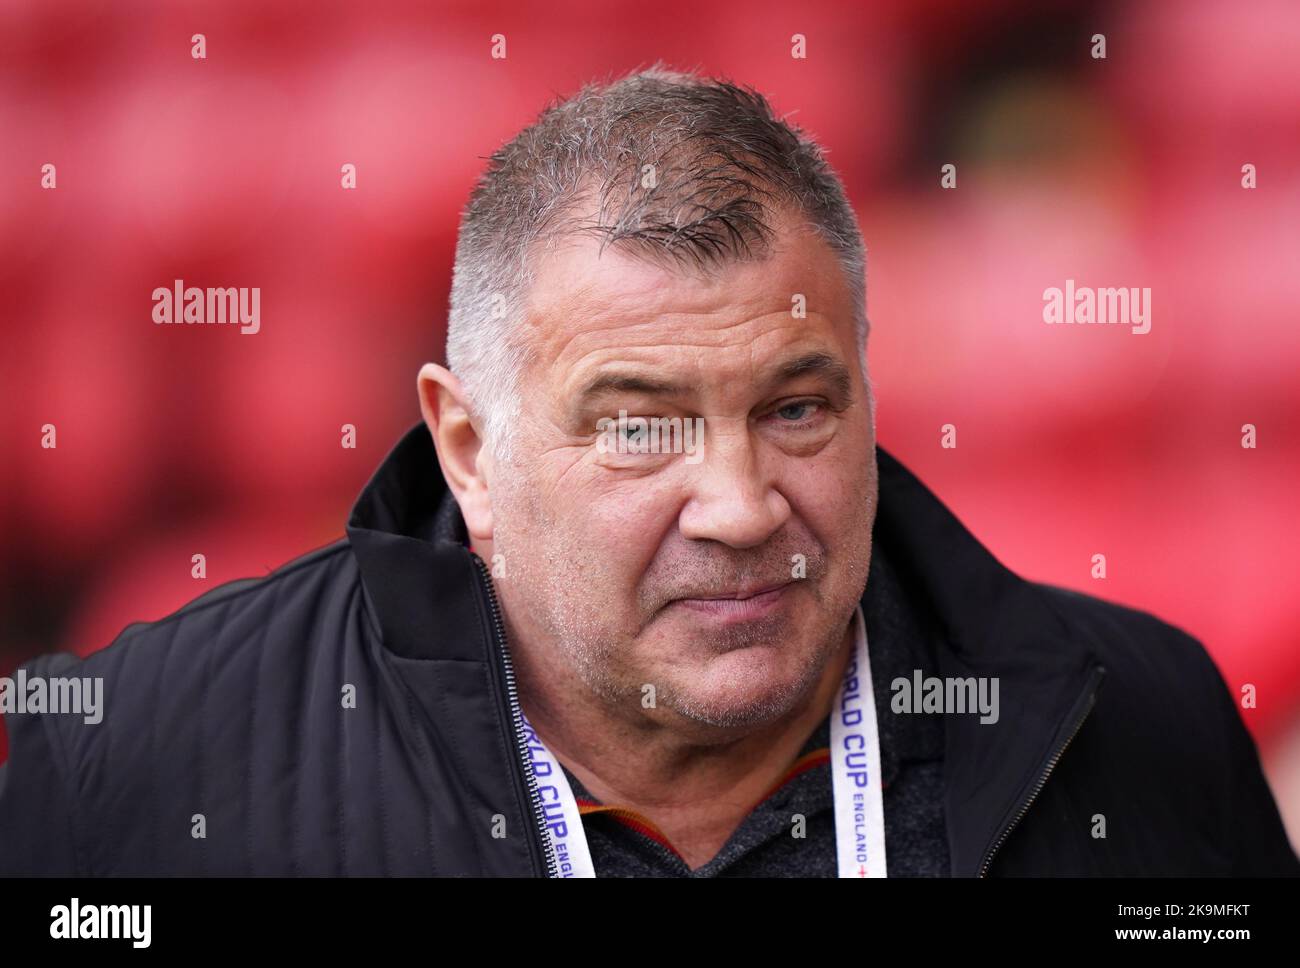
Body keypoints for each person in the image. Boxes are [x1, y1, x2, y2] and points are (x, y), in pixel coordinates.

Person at [1, 65, 1296, 877]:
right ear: (470, 452)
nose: (740, 507)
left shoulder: (1146, 725)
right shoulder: (142, 770)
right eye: (638, 425)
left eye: (796, 409)